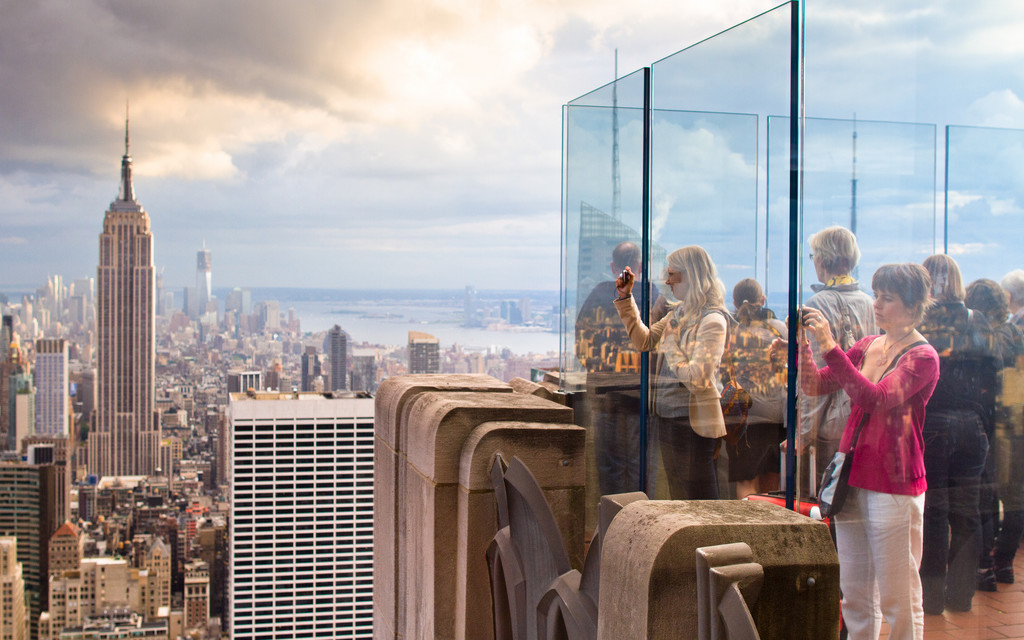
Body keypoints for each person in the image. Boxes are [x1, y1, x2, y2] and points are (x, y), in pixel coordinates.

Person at [800, 263, 939, 640]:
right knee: (856, 596)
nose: (876, 304)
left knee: (899, 596)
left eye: (887, 298)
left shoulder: (922, 358)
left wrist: (829, 347)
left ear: (912, 307)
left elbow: (874, 398)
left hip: (893, 484)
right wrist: (801, 349)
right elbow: (816, 384)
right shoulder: (868, 345)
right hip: (854, 478)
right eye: (876, 295)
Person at [917, 254, 1001, 614]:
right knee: (966, 513)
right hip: (975, 426)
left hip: (933, 423)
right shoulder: (977, 320)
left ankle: (932, 599)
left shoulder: (921, 321)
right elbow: (993, 375)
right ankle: (962, 597)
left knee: (934, 511)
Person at [614, 245, 728, 499]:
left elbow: (698, 379)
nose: (667, 281)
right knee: (678, 494)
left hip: (692, 424)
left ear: (692, 276)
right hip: (667, 416)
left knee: (699, 498)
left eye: (672, 275)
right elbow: (644, 341)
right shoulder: (679, 313)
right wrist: (625, 300)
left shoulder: (712, 321)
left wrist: (672, 346)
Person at [575, 241, 666, 495]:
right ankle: (644, 525)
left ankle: (612, 523)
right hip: (642, 391)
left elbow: (582, 340)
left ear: (613, 266)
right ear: (640, 266)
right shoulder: (653, 294)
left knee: (609, 465)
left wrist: (600, 371)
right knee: (642, 466)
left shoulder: (598, 294)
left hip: (607, 394)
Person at [799, 226, 877, 489]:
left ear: (821, 259)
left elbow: (817, 377)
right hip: (862, 413)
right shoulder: (868, 302)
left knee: (830, 500)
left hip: (833, 423)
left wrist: (804, 433)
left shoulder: (819, 302)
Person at [966, 278, 1024, 589]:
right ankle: (1005, 563)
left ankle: (984, 567)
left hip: (993, 423)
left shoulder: (985, 337)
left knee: (986, 497)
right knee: (1014, 498)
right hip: (1018, 423)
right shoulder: (1016, 332)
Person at [724, 278, 787, 498]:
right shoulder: (780, 329)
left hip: (747, 417)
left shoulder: (733, 332)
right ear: (763, 300)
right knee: (772, 480)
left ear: (734, 302)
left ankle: (747, 529)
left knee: (746, 481)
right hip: (779, 416)